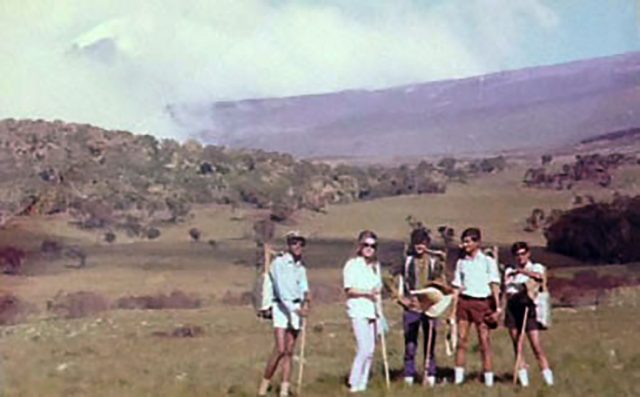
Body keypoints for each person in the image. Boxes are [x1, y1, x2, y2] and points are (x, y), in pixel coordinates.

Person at [391, 227, 447, 386]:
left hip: (430, 307)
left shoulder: (434, 261)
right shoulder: (406, 260)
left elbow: (440, 281)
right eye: (416, 243)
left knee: (430, 341)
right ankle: (409, 376)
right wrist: (400, 298)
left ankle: (430, 375)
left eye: (422, 243)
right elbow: (389, 277)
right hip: (412, 307)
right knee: (410, 343)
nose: (419, 247)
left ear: (427, 244)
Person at [258, 231, 310, 397]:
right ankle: (264, 386)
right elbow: (280, 291)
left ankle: (284, 390)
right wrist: (295, 309)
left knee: (289, 351)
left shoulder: (301, 267)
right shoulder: (279, 263)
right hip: (281, 308)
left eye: (301, 243)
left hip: (296, 308)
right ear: (289, 244)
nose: (298, 246)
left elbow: (303, 287)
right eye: (294, 243)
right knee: (280, 349)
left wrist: (307, 299)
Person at [450, 227, 501, 387]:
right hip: (464, 302)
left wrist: (497, 307)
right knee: (461, 341)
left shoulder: (487, 261)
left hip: (482, 303)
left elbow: (494, 284)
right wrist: (453, 312)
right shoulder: (461, 263)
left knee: (484, 342)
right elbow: (457, 287)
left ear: (477, 242)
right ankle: (458, 379)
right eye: (463, 241)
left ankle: (488, 380)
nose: (465, 245)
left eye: (468, 241)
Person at [504, 241, 554, 387]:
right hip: (513, 307)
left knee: (536, 345)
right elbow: (506, 288)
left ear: (528, 254)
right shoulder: (509, 270)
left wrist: (522, 272)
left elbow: (539, 278)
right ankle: (523, 380)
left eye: (523, 254)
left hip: (528, 305)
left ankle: (548, 378)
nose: (520, 258)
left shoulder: (536, 267)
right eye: (517, 255)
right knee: (517, 344)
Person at [343, 230, 384, 393]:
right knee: (363, 347)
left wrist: (380, 311)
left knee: (371, 349)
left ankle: (363, 383)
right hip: (358, 309)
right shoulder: (352, 265)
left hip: (373, 311)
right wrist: (367, 293)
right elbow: (349, 290)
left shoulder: (376, 267)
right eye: (366, 245)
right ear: (360, 246)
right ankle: (354, 382)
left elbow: (378, 290)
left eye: (373, 246)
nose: (369, 248)